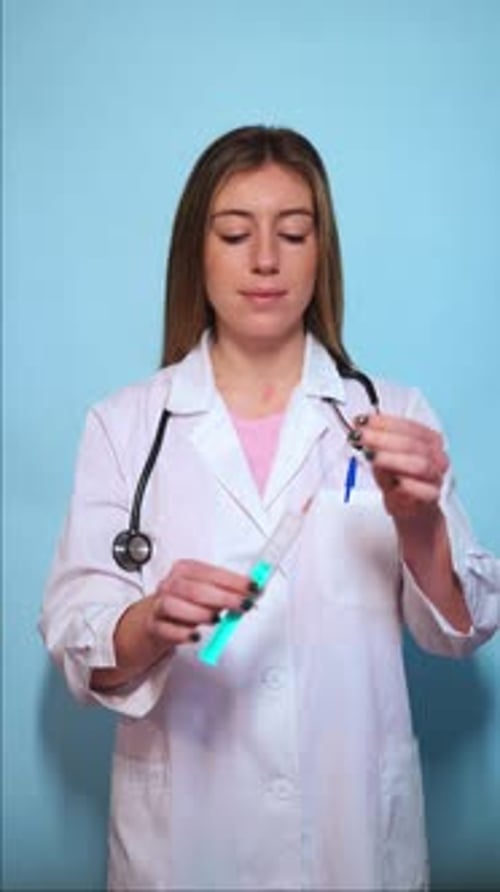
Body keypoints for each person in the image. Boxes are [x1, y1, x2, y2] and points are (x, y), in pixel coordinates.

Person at [40, 125, 499, 891]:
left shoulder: (393, 414)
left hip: (351, 846)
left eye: (293, 232)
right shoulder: (124, 425)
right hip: (185, 847)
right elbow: (76, 636)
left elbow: (465, 628)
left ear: (322, 251)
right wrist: (150, 621)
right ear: (198, 250)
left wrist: (420, 525)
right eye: (234, 233)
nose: (265, 260)